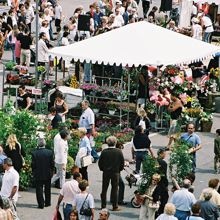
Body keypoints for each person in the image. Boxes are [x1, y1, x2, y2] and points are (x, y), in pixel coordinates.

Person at [98, 136, 124, 211]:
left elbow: (100, 163)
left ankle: (103, 205)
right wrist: (119, 170)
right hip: (115, 172)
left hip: (106, 172)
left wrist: (102, 169)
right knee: (115, 189)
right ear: (115, 142)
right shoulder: (119, 151)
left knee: (104, 189)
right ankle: (115, 206)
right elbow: (122, 162)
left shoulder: (104, 152)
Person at [31, 138, 54, 209]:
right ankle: (47, 202)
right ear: (45, 144)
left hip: (38, 173)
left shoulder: (34, 153)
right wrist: (52, 171)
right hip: (47, 173)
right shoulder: (50, 152)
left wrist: (33, 171)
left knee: (39, 189)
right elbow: (52, 163)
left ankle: (41, 204)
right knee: (48, 188)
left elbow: (33, 165)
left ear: (38, 144)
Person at [156, 148, 169, 217]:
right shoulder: (163, 163)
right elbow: (164, 175)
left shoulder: (154, 161)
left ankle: (155, 210)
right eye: (164, 154)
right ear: (161, 154)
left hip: (154, 182)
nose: (165, 155)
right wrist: (166, 185)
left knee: (155, 196)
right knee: (165, 197)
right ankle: (160, 211)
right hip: (161, 183)